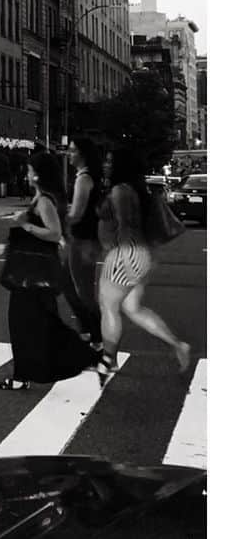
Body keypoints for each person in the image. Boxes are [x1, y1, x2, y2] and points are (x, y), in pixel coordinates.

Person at [0, 151, 98, 391]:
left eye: (28, 170)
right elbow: (33, 245)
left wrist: (24, 223)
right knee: (36, 326)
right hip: (35, 274)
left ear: (37, 175)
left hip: (33, 277)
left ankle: (88, 357)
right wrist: (6, 248)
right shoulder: (42, 199)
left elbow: (53, 233)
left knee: (30, 326)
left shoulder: (44, 201)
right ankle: (25, 374)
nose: (26, 174)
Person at [94, 147, 191, 385]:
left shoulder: (120, 191)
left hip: (124, 254)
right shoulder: (137, 191)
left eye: (109, 161)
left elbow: (126, 227)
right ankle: (178, 345)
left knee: (107, 307)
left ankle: (108, 359)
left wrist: (126, 260)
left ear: (121, 166)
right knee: (133, 308)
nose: (106, 165)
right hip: (140, 254)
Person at [63, 136, 104, 349]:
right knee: (66, 281)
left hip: (82, 239)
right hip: (85, 238)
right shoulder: (87, 176)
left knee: (84, 290)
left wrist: (57, 220)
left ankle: (95, 337)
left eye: (72, 151)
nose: (69, 154)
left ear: (83, 155)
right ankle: (87, 329)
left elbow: (77, 213)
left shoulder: (84, 179)